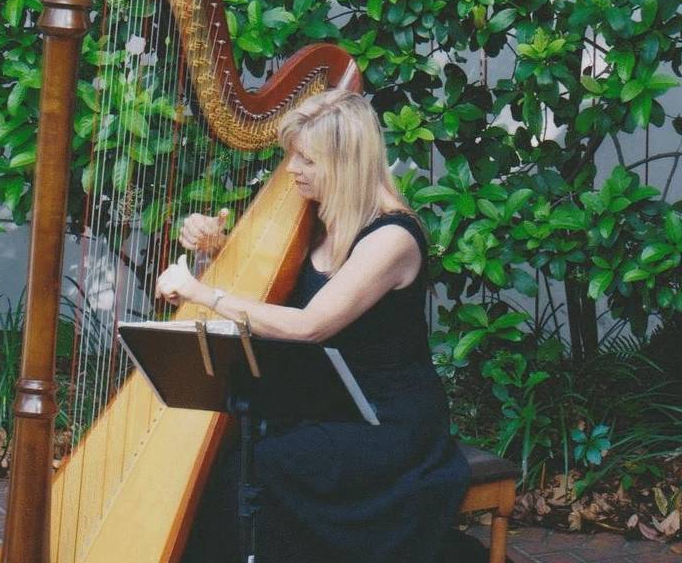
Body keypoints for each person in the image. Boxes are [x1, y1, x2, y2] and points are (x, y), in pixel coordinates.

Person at [155, 89, 469, 563]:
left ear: (347, 163)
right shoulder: (317, 215)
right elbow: (281, 285)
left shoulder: (393, 239)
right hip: (318, 401)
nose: (293, 170)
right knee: (224, 455)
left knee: (260, 466)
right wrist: (217, 248)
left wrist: (204, 293)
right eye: (292, 157)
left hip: (381, 419)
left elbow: (310, 325)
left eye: (306, 160)